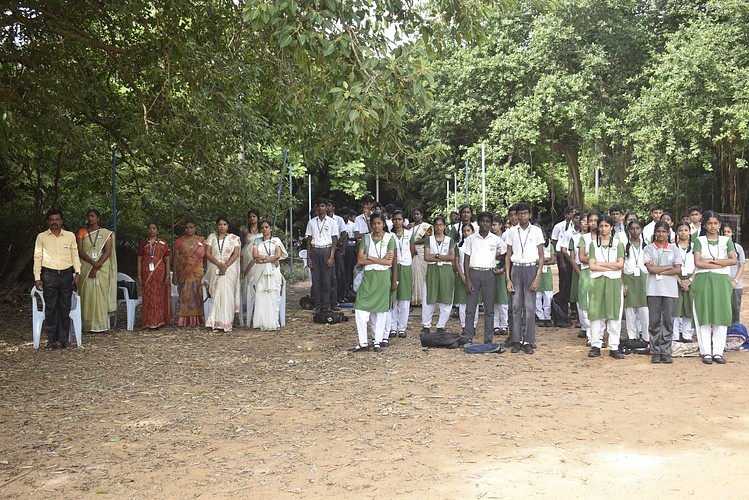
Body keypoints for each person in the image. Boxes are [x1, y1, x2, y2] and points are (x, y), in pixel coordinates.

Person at [691, 211, 736, 364]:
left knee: (721, 315)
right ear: (705, 225)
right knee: (704, 315)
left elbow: (733, 260)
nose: (712, 226)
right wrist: (721, 263)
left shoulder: (726, 240)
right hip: (703, 281)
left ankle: (718, 352)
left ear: (719, 225)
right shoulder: (699, 240)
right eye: (709, 223)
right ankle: (706, 352)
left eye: (715, 223)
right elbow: (698, 262)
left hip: (722, 282)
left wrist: (711, 261)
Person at [33, 208, 82, 349]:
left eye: (57, 219)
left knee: (65, 307)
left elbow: (74, 255)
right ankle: (52, 341)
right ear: (48, 221)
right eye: (51, 219)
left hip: (66, 274)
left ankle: (64, 340)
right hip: (49, 275)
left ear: (62, 221)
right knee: (51, 308)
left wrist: (77, 273)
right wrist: (37, 277)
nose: (54, 222)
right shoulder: (41, 237)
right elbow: (37, 257)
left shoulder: (70, 236)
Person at [351, 213, 396, 352]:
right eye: (374, 223)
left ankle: (377, 341)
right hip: (368, 277)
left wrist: (369, 257)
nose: (376, 226)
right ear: (371, 225)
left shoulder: (390, 238)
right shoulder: (366, 238)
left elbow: (389, 262)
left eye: (379, 223)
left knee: (381, 311)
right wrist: (381, 259)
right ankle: (363, 342)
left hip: (383, 278)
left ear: (384, 224)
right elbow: (360, 260)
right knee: (360, 308)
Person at [505, 203, 545, 354]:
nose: (522, 216)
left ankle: (528, 340)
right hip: (516, 269)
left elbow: (541, 256)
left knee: (529, 307)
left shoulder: (536, 231)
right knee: (516, 307)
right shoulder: (511, 231)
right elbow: (508, 255)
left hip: (530, 268)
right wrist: (508, 278)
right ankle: (516, 340)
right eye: (519, 214)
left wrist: (537, 277)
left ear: (530, 215)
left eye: (525, 213)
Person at [463, 212, 506, 344]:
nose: (485, 224)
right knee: (470, 308)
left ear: (491, 223)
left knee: (489, 309)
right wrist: (467, 280)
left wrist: (503, 269)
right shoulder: (471, 239)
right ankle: (468, 337)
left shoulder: (496, 239)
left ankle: (488, 339)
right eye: (482, 221)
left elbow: (507, 253)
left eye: (488, 221)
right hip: (474, 273)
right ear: (478, 222)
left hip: (489, 274)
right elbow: (466, 259)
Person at [586, 215, 625, 359]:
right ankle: (595, 345)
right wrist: (611, 266)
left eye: (606, 226)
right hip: (597, 282)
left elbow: (620, 265)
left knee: (614, 314)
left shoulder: (617, 243)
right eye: (601, 226)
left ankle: (614, 346)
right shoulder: (593, 244)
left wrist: (601, 264)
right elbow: (592, 266)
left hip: (613, 282)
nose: (603, 229)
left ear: (611, 227)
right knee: (596, 314)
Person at [644, 220, 682, 364]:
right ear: (655, 232)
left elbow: (677, 270)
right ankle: (655, 351)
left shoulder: (674, 249)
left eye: (664, 231)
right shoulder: (648, 248)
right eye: (658, 231)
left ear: (668, 233)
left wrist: (659, 269)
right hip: (653, 290)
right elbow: (650, 269)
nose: (661, 234)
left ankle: (666, 351)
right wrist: (668, 267)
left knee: (668, 321)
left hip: (670, 290)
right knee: (654, 321)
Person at [76, 208, 116, 332]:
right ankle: (87, 325)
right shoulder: (82, 232)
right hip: (86, 266)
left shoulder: (106, 233)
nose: (90, 218)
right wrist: (93, 263)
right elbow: (79, 251)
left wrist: (97, 265)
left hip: (102, 267)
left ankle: (101, 325)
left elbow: (107, 251)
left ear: (98, 218)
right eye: (89, 216)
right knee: (87, 295)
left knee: (101, 295)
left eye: (93, 216)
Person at [205, 216, 241, 332]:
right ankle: (215, 322)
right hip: (215, 267)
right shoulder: (212, 237)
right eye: (220, 224)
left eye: (224, 224)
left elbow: (236, 254)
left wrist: (225, 265)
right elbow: (208, 253)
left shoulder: (234, 238)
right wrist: (219, 264)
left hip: (229, 269)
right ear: (217, 226)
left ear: (228, 226)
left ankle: (226, 322)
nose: (222, 227)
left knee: (227, 295)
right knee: (216, 295)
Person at [252, 220, 288, 331]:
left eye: (266, 227)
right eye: (262, 228)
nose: (264, 229)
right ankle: (261, 322)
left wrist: (264, 260)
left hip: (273, 270)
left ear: (271, 228)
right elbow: (255, 255)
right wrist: (269, 259)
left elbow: (277, 255)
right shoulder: (257, 241)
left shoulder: (276, 240)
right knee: (260, 293)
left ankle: (273, 321)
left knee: (273, 294)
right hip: (260, 271)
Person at [422, 216, 455, 334]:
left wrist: (436, 256)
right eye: (436, 225)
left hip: (446, 270)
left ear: (444, 226)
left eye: (441, 225)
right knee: (429, 297)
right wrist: (442, 257)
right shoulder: (429, 240)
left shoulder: (449, 240)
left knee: (446, 298)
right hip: (432, 270)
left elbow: (452, 257)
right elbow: (426, 257)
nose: (439, 227)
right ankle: (426, 325)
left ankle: (441, 326)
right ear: (433, 227)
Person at [305, 199, 340, 313]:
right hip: (315, 250)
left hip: (326, 250)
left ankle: (326, 304)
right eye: (319, 206)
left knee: (327, 280)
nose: (320, 208)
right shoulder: (311, 222)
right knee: (316, 280)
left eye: (323, 206)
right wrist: (308, 257)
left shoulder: (331, 222)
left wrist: (331, 256)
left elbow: (334, 239)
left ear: (326, 207)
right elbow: (309, 240)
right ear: (316, 208)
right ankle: (318, 304)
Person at [136, 222, 173, 329]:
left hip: (160, 274)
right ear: (147, 230)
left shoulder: (163, 243)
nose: (151, 230)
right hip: (146, 274)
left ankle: (159, 321)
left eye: (154, 228)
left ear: (157, 230)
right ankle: (148, 321)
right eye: (150, 228)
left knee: (159, 297)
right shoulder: (143, 243)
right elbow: (139, 259)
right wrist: (139, 276)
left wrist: (167, 276)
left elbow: (167, 260)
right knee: (148, 297)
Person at [173, 220, 206, 326]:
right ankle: (185, 320)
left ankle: (200, 319)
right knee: (185, 295)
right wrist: (175, 274)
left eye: (191, 227)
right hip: (184, 272)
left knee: (198, 294)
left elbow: (206, 257)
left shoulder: (202, 241)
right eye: (187, 228)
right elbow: (176, 259)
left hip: (198, 272)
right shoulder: (179, 241)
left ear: (195, 229)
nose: (189, 230)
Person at [389, 210, 414, 339]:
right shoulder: (389, 236)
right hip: (393, 266)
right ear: (392, 221)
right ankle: (392, 327)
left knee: (404, 299)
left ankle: (402, 328)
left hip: (405, 266)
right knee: (393, 297)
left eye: (400, 219)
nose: (397, 222)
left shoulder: (409, 234)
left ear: (403, 220)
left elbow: (412, 250)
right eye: (395, 219)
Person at [622, 220, 649, 341]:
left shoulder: (647, 246)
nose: (635, 231)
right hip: (629, 279)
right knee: (630, 310)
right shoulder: (624, 246)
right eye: (632, 228)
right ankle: (632, 337)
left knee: (645, 310)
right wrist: (623, 284)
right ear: (628, 230)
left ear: (641, 230)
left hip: (644, 280)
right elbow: (621, 268)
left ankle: (646, 337)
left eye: (637, 228)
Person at [551, 205, 577, 319]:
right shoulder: (559, 226)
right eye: (572, 212)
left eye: (576, 212)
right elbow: (554, 241)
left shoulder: (578, 228)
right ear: (566, 214)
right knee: (563, 281)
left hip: (574, 256)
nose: (574, 214)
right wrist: (559, 258)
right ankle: (563, 307)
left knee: (573, 282)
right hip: (562, 255)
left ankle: (574, 307)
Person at [577, 212, 599, 345]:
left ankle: (599, 336)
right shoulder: (584, 238)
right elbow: (581, 257)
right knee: (585, 305)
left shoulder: (606, 239)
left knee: (599, 304)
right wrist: (595, 261)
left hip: (601, 273)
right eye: (590, 221)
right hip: (586, 272)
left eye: (596, 220)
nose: (593, 223)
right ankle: (591, 336)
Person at [454, 223, 478, 335]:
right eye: (464, 231)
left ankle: (473, 325)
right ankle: (464, 326)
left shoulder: (478, 245)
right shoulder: (459, 246)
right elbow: (457, 262)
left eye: (468, 230)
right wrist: (463, 276)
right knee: (462, 302)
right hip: (462, 275)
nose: (466, 233)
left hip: (474, 275)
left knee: (474, 301)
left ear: (473, 232)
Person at [673, 221, 695, 342]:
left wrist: (690, 280)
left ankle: (687, 335)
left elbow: (699, 265)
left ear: (690, 232)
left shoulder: (695, 246)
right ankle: (675, 336)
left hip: (691, 279)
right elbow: (670, 265)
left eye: (686, 230)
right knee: (676, 309)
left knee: (689, 308)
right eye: (680, 230)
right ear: (676, 232)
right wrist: (679, 280)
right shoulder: (672, 247)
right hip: (675, 278)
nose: (683, 233)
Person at [240, 209, 262, 324]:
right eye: (250, 217)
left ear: (258, 217)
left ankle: (259, 305)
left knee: (258, 280)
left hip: (259, 258)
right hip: (247, 258)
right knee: (249, 280)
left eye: (254, 216)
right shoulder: (245, 231)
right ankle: (249, 306)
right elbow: (242, 246)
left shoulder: (262, 229)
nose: (252, 218)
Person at [723, 222, 745, 325]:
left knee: (735, 309)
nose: (726, 234)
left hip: (736, 284)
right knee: (723, 307)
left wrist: (736, 280)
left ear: (732, 233)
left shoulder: (738, 248)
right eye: (724, 232)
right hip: (722, 283)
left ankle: (735, 330)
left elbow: (742, 265)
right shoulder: (718, 248)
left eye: (728, 232)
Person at [491, 216, 510, 336]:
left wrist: (502, 269)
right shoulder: (488, 239)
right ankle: (495, 325)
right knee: (493, 300)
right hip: (491, 269)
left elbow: (507, 255)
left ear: (500, 225)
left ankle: (504, 324)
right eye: (492, 225)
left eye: (495, 224)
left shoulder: (505, 238)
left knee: (502, 299)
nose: (492, 227)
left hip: (502, 270)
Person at [410, 207, 431, 306]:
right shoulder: (410, 226)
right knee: (413, 275)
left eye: (418, 214)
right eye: (414, 214)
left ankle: (423, 299)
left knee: (422, 275)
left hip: (422, 252)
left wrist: (413, 243)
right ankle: (414, 299)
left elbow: (427, 239)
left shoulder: (426, 226)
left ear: (422, 215)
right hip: (412, 251)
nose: (416, 216)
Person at [535, 223, 555, 327]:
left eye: (544, 236)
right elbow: (533, 261)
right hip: (536, 274)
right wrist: (544, 260)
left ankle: (548, 317)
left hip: (547, 275)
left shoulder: (550, 246)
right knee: (537, 297)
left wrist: (541, 261)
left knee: (548, 297)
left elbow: (552, 261)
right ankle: (541, 317)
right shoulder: (534, 247)